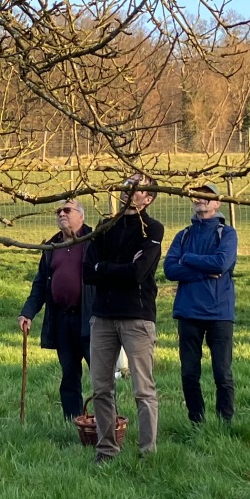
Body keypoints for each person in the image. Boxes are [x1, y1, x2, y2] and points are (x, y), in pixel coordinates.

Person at [85, 175, 164, 460]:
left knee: (143, 388)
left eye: (137, 188)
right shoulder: (105, 226)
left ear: (149, 198)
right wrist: (117, 268)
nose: (129, 192)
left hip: (137, 316)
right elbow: (88, 272)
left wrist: (104, 268)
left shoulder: (152, 229)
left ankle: (147, 453)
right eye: (126, 186)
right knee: (101, 387)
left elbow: (139, 273)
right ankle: (106, 449)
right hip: (102, 316)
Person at [163, 183, 238, 424]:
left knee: (222, 373)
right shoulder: (183, 235)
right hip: (188, 312)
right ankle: (196, 421)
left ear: (217, 203)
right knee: (189, 373)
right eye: (196, 195)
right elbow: (170, 269)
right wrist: (202, 270)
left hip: (219, 313)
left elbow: (221, 264)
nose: (200, 200)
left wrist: (189, 259)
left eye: (207, 196)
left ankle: (225, 422)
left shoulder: (227, 233)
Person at [19, 198, 95, 421]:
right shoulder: (52, 247)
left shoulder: (94, 241)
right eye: (58, 211)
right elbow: (41, 283)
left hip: (90, 319)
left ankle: (107, 422)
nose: (61, 213)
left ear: (81, 216)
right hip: (62, 319)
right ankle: (73, 422)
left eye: (67, 210)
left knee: (100, 377)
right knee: (69, 375)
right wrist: (28, 312)